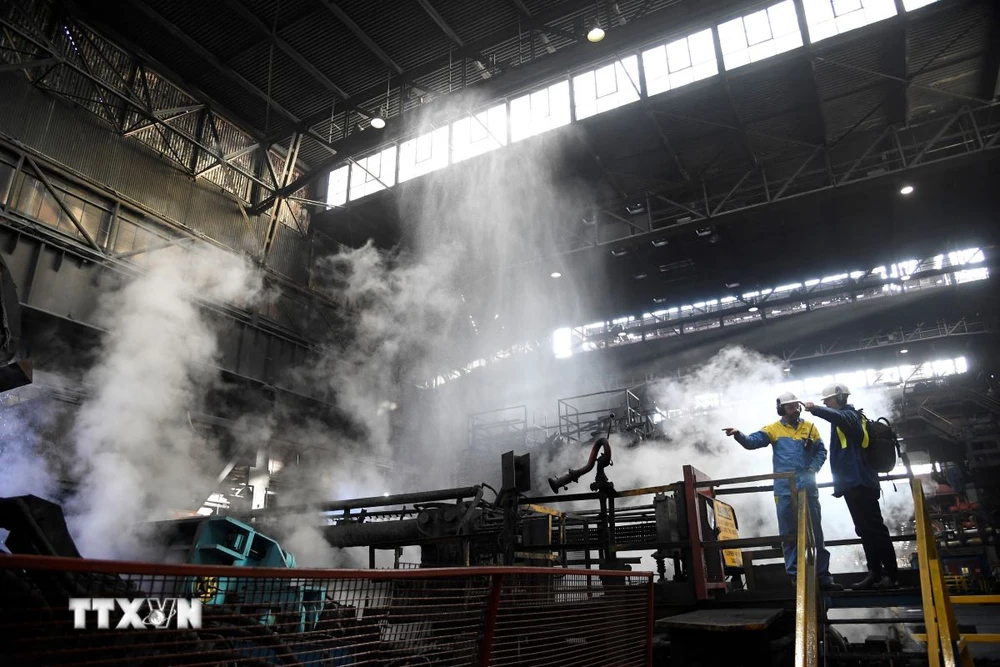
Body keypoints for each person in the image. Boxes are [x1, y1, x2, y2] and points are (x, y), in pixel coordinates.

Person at [724, 392, 842, 591]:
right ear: (781, 409)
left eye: (796, 406)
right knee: (789, 535)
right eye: (789, 407)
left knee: (816, 534)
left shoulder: (810, 428)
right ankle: (796, 577)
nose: (794, 409)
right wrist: (738, 434)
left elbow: (821, 451)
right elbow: (753, 442)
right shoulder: (773, 429)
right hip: (785, 490)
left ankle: (822, 576)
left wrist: (813, 469)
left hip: (808, 488)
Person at [804, 384, 899, 590]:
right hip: (852, 482)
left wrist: (815, 410)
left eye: (828, 400)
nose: (825, 403)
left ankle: (891, 575)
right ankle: (874, 573)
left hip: (861, 481)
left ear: (839, 397)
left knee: (875, 528)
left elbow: (838, 417)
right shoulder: (844, 420)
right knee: (864, 529)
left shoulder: (850, 416)